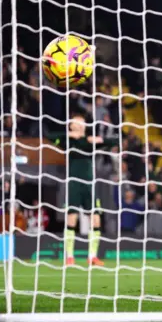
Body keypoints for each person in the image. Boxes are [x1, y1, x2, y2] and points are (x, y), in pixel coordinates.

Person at [50, 114, 118, 266]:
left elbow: (115, 140)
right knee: (72, 219)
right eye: (77, 123)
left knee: (95, 218)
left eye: (83, 123)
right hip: (74, 184)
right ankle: (69, 257)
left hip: (89, 184)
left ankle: (92, 256)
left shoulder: (89, 142)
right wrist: (69, 134)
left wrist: (100, 140)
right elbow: (49, 136)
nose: (81, 125)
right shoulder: (67, 141)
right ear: (71, 126)